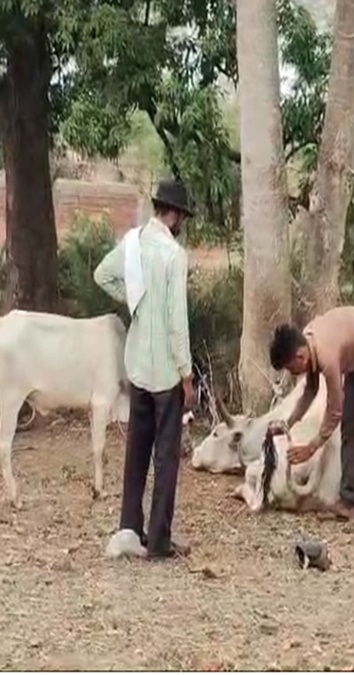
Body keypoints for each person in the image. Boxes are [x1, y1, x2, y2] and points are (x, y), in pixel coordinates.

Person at [93, 178, 195, 560]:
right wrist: (187, 374)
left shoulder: (132, 242)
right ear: (177, 215)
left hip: (137, 364)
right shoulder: (173, 255)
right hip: (167, 371)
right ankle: (159, 540)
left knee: (136, 451)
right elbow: (176, 321)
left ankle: (129, 528)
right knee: (166, 457)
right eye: (183, 215)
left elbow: (102, 275)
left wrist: (133, 300)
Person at [268, 306, 354, 529]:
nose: (292, 373)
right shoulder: (308, 342)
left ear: (300, 356)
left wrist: (312, 446)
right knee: (349, 423)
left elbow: (333, 410)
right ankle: (347, 501)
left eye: (291, 368)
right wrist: (286, 423)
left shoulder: (327, 356)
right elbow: (310, 392)